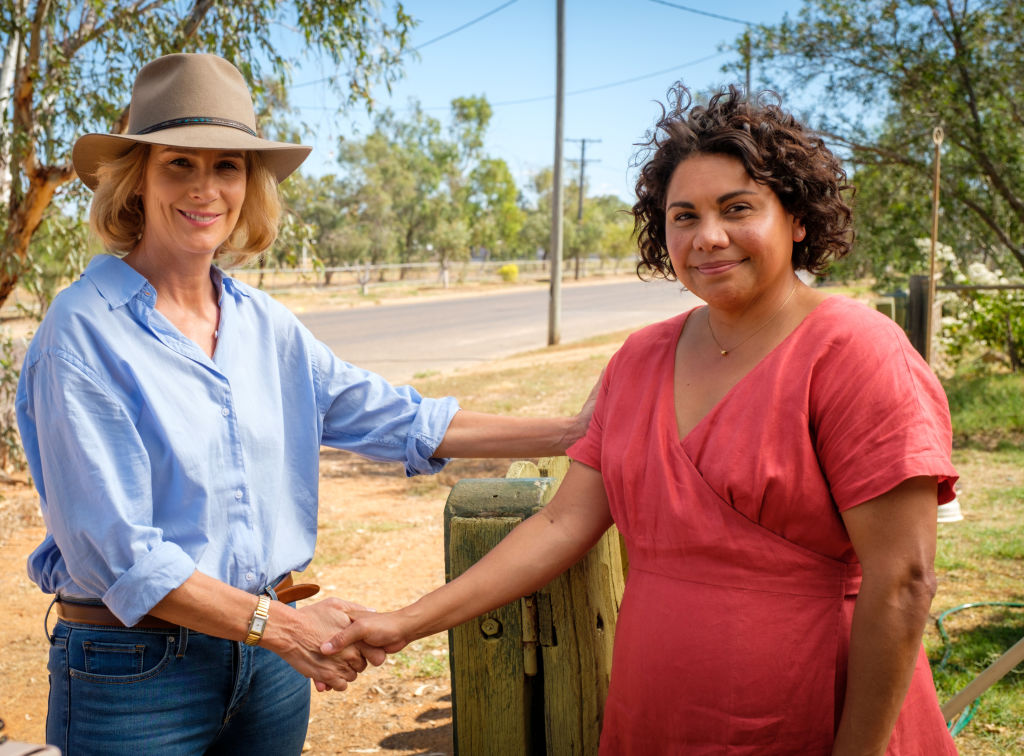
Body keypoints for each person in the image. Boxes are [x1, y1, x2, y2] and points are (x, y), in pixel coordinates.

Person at [323, 84, 959, 755]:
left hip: (815, 719)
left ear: (797, 218)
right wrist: (405, 622)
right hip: (659, 716)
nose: (708, 237)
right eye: (683, 216)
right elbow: (561, 524)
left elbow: (905, 580)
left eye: (737, 209)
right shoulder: (640, 359)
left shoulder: (857, 354)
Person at [16, 53, 594, 756]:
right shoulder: (81, 333)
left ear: (249, 184)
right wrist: (286, 628)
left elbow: (400, 419)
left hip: (266, 666)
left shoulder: (264, 324)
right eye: (179, 164)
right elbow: (120, 556)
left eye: (227, 166)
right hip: (139, 676)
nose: (205, 189)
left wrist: (577, 431)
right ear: (137, 180)